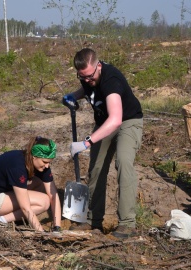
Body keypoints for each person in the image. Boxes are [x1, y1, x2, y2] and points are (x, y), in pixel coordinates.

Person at [62, 48, 143, 239]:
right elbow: (88, 88)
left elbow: (116, 120)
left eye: (90, 76)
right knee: (96, 168)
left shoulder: (111, 80)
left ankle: (127, 224)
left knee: (123, 162)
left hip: (127, 121)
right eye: (82, 77)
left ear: (98, 65)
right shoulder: (87, 77)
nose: (87, 80)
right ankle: (93, 220)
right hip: (104, 122)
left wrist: (86, 142)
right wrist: (74, 95)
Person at [0, 136, 62, 232]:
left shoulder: (40, 163)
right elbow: (25, 207)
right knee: (44, 202)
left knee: (40, 183)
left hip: (2, 192)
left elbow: (53, 194)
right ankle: (0, 220)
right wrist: (41, 233)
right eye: (44, 162)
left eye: (49, 162)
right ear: (34, 156)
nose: (47, 166)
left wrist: (57, 227)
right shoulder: (17, 166)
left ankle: (11, 218)